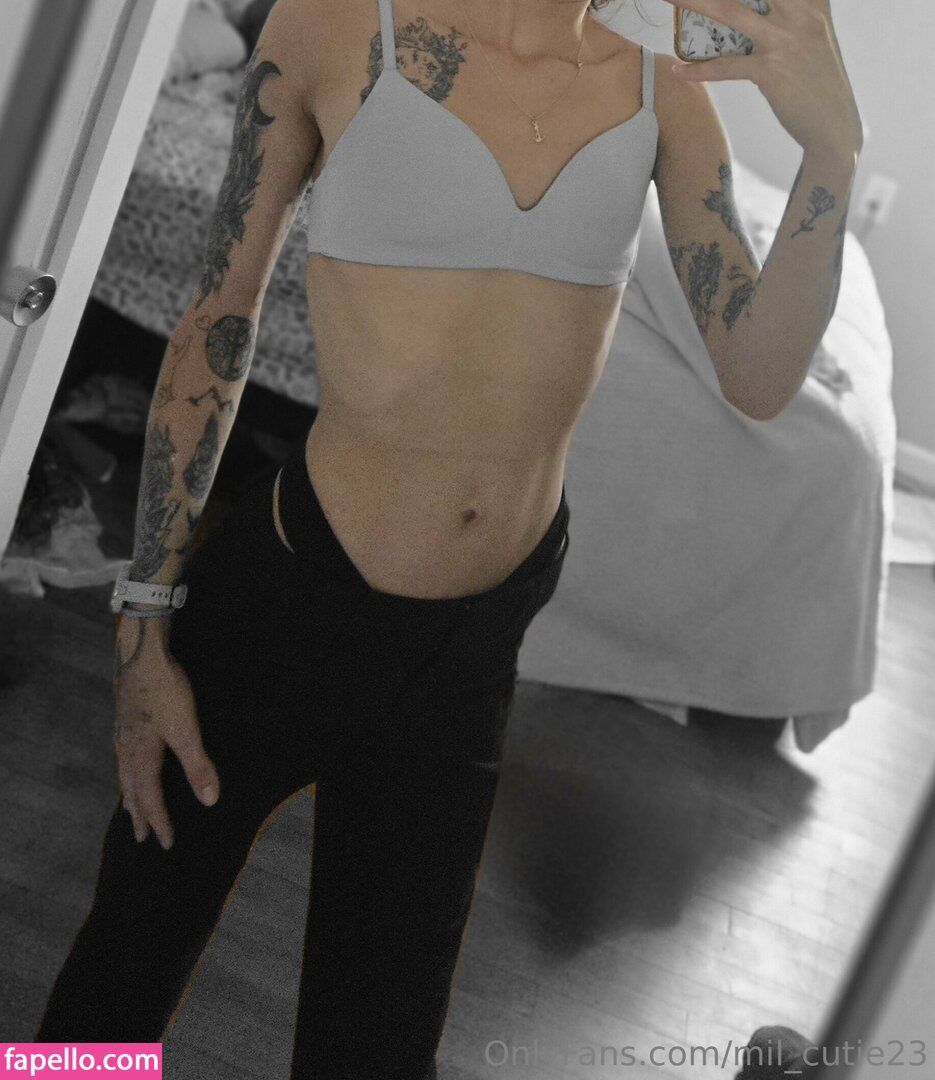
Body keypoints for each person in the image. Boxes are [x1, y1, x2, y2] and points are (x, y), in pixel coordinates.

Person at [35, 0, 862, 1074]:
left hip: (470, 651)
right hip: (290, 600)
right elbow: (216, 324)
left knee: (377, 1045)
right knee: (117, 984)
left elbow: (757, 377)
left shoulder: (662, 83)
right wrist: (143, 631)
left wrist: (831, 153)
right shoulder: (335, 26)